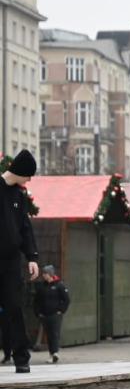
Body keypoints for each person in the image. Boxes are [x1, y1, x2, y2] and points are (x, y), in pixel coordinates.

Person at [0, 150, 39, 373]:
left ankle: (21, 358)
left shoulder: (19, 196)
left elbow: (25, 229)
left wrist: (32, 257)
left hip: (11, 261)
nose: (29, 180)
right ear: (21, 171)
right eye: (29, 175)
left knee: (15, 307)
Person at [33, 265, 69, 363]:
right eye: (43, 273)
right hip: (44, 315)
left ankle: (55, 352)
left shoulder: (59, 285)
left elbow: (66, 299)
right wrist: (38, 312)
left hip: (55, 314)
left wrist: (61, 310)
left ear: (50, 274)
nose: (43, 275)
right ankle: (51, 354)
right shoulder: (42, 286)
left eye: (45, 273)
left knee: (54, 333)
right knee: (49, 335)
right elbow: (36, 301)